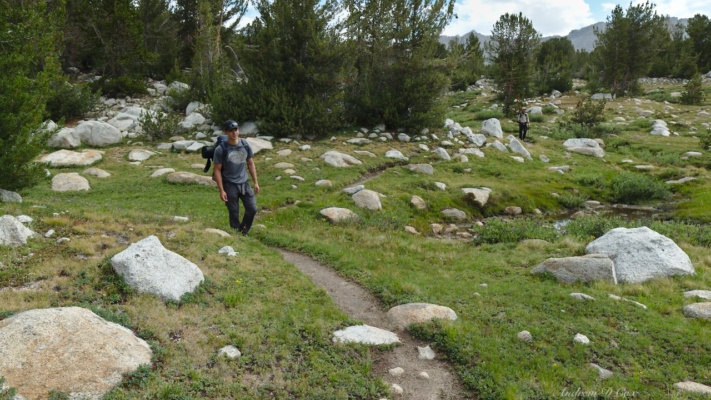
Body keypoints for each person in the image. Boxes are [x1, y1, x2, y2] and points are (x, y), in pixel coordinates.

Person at [213, 120, 260, 236]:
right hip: (229, 184)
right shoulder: (221, 149)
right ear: (226, 132)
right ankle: (236, 234)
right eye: (231, 131)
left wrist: (256, 182)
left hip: (244, 183)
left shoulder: (244, 144)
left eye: (236, 130)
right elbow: (217, 170)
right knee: (234, 212)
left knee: (252, 208)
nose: (234, 133)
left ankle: (243, 230)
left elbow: (250, 163)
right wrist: (221, 190)